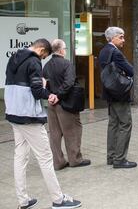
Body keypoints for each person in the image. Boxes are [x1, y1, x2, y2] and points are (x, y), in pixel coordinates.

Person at [5, 38, 81, 209]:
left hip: (13, 114)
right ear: (41, 49)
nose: (43, 58)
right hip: (29, 116)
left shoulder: (14, 58)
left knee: (20, 156)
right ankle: (58, 199)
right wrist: (48, 92)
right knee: (45, 158)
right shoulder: (34, 61)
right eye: (44, 55)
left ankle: (23, 201)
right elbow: (36, 89)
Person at [43, 39, 91, 170]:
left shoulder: (46, 65)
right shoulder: (67, 64)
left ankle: (58, 162)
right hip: (66, 104)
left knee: (55, 134)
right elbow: (69, 82)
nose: (65, 50)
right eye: (65, 48)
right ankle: (75, 159)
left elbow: (43, 83)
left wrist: (50, 96)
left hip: (52, 104)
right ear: (61, 50)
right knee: (73, 131)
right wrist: (58, 96)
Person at [98, 27, 136, 169]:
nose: (123, 40)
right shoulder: (116, 53)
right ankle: (119, 159)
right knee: (125, 124)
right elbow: (131, 71)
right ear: (112, 38)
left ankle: (111, 156)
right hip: (120, 93)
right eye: (121, 37)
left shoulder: (103, 51)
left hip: (109, 92)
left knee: (113, 124)